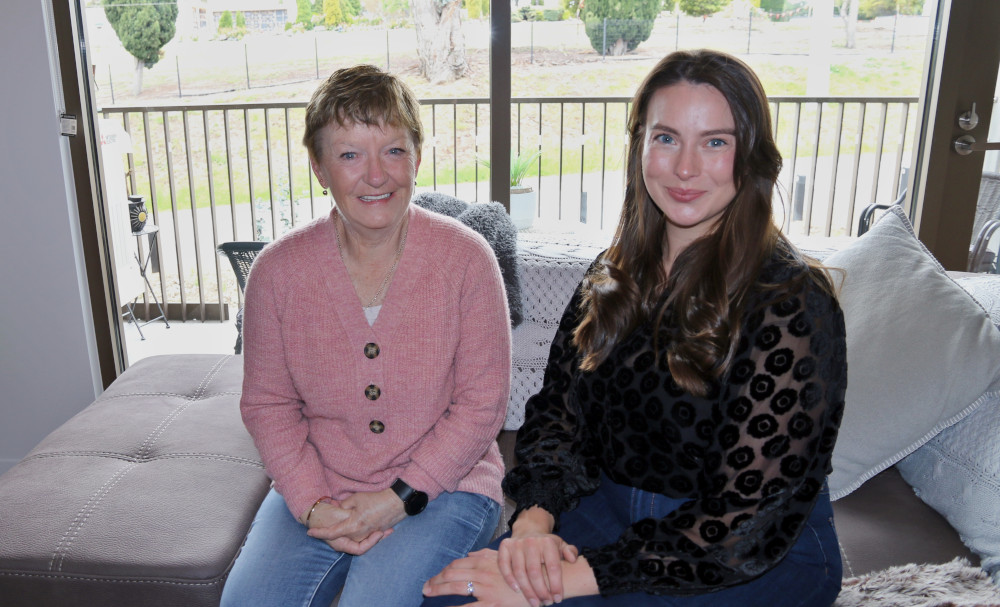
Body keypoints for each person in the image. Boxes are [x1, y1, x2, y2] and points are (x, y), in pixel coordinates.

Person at [422, 49, 847, 607]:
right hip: (610, 511)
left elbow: (744, 520)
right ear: (639, 146)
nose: (686, 168)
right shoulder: (612, 271)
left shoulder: (791, 302)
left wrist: (563, 581)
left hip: (744, 547)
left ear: (752, 157)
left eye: (715, 142)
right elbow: (558, 416)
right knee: (456, 599)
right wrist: (532, 527)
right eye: (666, 138)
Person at [221, 64, 512, 607]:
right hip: (321, 483)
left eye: (393, 151)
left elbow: (482, 404)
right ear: (319, 168)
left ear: (417, 158)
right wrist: (312, 504)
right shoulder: (276, 273)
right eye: (350, 154)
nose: (376, 175)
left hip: (447, 487)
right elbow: (268, 405)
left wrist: (399, 498)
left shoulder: (467, 260)